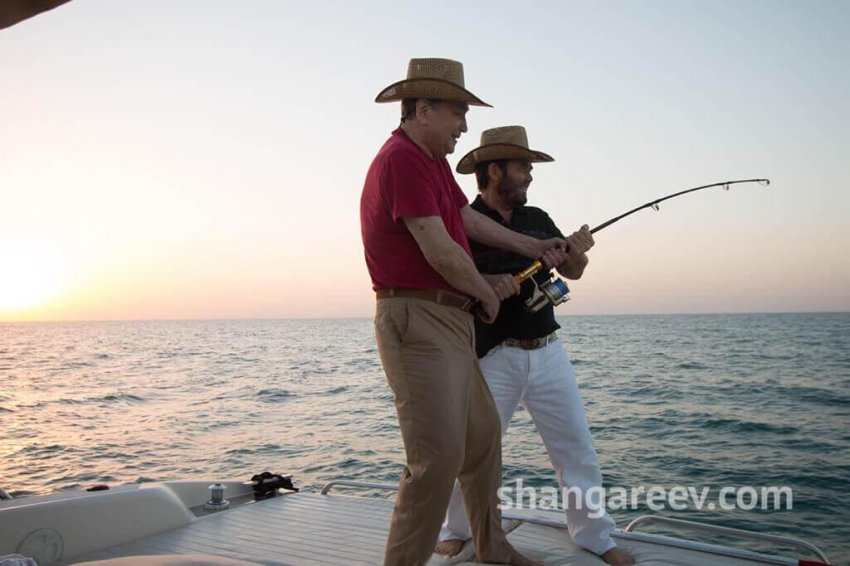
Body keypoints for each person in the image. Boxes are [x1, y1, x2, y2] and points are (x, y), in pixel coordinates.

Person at [361, 59, 563, 566]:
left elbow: (464, 220)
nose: (464, 127)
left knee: (481, 438)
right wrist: (486, 290)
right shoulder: (401, 159)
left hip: (449, 321)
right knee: (436, 460)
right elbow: (438, 248)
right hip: (416, 318)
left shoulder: (429, 162)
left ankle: (491, 546)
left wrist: (529, 244)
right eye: (458, 112)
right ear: (423, 109)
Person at [435, 126, 635, 566]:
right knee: (475, 451)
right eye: (523, 166)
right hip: (493, 357)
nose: (529, 175)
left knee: (576, 447)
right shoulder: (462, 221)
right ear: (494, 171)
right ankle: (457, 529)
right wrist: (489, 284)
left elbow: (576, 269)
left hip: (549, 353)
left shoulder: (538, 218)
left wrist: (578, 249)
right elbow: (450, 280)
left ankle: (594, 536)